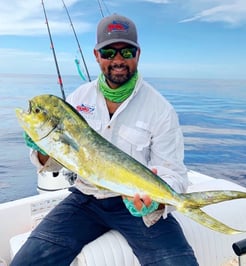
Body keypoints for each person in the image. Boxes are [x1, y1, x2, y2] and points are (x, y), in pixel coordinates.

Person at [11, 14, 199, 266]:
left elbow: (173, 172)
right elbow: (54, 163)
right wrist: (42, 146)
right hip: (85, 199)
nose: (118, 60)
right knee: (27, 262)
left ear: (138, 55)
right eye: (109, 52)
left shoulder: (160, 109)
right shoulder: (79, 97)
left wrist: (153, 202)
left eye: (126, 52)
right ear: (96, 55)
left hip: (134, 204)